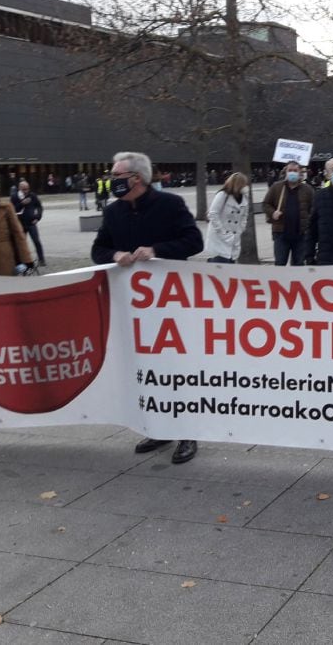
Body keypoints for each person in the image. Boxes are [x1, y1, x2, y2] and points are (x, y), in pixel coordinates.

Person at [92, 151, 204, 465]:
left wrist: (156, 251)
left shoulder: (170, 204)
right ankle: (159, 428)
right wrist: (114, 255)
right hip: (134, 308)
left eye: (116, 175)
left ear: (136, 178)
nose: (111, 180)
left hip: (171, 303)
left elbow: (194, 241)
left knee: (176, 369)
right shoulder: (113, 211)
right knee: (147, 370)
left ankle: (187, 432)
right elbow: (98, 249)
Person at [262, 161, 314, 266]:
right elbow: (265, 204)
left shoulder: (307, 189)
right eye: (290, 170)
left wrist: (308, 221)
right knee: (280, 263)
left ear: (299, 173)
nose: (292, 173)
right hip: (281, 234)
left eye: (295, 170)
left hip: (300, 235)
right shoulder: (277, 187)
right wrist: (273, 213)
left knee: (298, 264)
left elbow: (313, 208)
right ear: (286, 172)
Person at [206, 172, 248, 263]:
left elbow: (245, 215)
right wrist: (222, 231)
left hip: (234, 238)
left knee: (230, 264)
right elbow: (213, 213)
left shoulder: (244, 198)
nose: (245, 187)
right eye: (244, 184)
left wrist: (241, 228)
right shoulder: (222, 195)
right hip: (220, 238)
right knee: (220, 264)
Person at [10, 180, 46, 266]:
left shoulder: (32, 195)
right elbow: (12, 210)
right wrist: (22, 204)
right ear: (19, 188)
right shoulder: (14, 197)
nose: (26, 191)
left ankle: (41, 259)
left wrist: (37, 217)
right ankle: (22, 260)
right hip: (20, 223)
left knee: (36, 241)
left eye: (27, 189)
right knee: (21, 243)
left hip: (31, 222)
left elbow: (39, 207)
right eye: (24, 189)